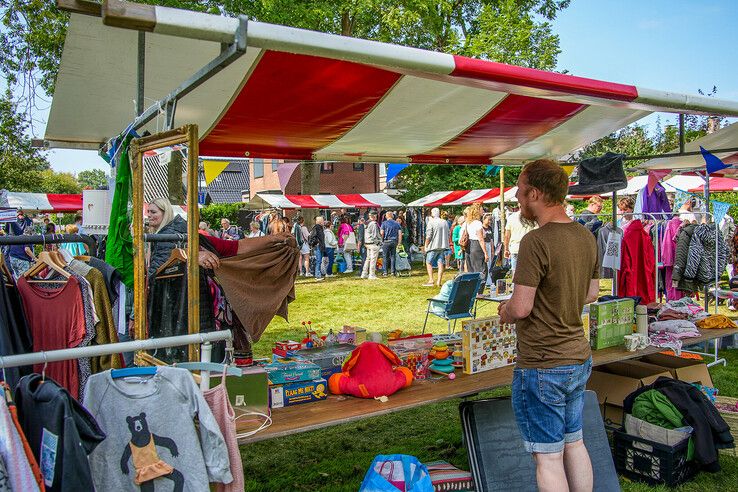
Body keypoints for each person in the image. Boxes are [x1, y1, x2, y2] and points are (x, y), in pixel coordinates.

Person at [498, 159, 599, 492]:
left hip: (544, 362)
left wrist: (506, 310)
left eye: (521, 189)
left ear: (536, 193)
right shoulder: (586, 235)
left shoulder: (535, 242)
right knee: (574, 443)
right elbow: (591, 294)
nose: (516, 195)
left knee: (548, 457)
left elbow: (522, 306)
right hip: (578, 357)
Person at [504, 207, 538, 275]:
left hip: (515, 248)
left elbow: (507, 236)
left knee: (515, 272)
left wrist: (506, 249)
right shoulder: (532, 217)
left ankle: (515, 285)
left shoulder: (511, 217)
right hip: (528, 248)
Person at [423, 207, 450, 287]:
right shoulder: (444, 222)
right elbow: (448, 233)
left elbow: (428, 235)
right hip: (442, 245)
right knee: (440, 263)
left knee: (428, 262)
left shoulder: (431, 222)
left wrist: (426, 245)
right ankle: (439, 281)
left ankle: (431, 280)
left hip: (433, 246)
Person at [5, 211, 35, 279]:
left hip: (13, 254)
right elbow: (27, 249)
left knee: (17, 277)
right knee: (23, 279)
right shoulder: (28, 235)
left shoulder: (11, 219)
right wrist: (35, 258)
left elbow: (6, 230)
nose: (21, 216)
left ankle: (17, 288)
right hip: (20, 257)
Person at [465, 203, 488, 290]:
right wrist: (485, 253)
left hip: (469, 246)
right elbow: (481, 239)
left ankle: (472, 289)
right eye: (482, 209)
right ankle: (479, 290)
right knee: (481, 269)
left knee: (471, 269)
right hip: (476, 246)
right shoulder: (478, 223)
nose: (483, 211)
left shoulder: (468, 223)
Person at [380, 211, 402, 276]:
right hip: (394, 241)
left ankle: (385, 272)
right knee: (393, 256)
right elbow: (400, 234)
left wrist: (381, 241)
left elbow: (382, 233)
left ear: (386, 216)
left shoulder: (384, 223)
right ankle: (393, 272)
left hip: (386, 241)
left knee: (385, 257)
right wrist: (399, 243)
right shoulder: (397, 223)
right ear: (392, 216)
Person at [361, 212, 381, 280]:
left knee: (368, 259)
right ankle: (371, 274)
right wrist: (379, 243)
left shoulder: (367, 223)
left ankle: (364, 273)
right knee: (373, 259)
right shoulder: (373, 223)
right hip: (373, 243)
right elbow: (375, 235)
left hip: (367, 243)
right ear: (375, 216)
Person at [308, 216, 327, 282]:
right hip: (318, 246)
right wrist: (316, 243)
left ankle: (318, 274)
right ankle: (317, 275)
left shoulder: (319, 227)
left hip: (319, 246)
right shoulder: (317, 227)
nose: (324, 222)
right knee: (318, 261)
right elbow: (312, 236)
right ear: (320, 221)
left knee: (319, 261)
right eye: (322, 220)